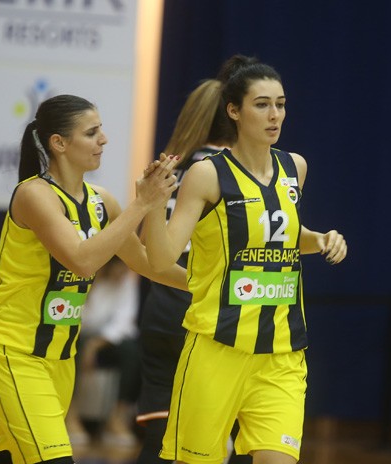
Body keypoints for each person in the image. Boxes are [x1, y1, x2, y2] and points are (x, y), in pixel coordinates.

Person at [143, 55, 348, 464]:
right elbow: (161, 259)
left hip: (282, 353)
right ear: (234, 111)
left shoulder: (295, 167)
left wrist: (321, 239)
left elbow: (282, 235)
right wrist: (151, 204)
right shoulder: (207, 174)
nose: (275, 115)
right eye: (262, 104)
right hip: (217, 349)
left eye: (281, 104)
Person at [0, 94, 185, 464]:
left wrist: (210, 285)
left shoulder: (102, 201)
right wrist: (141, 204)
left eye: (101, 130)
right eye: (92, 132)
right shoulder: (34, 194)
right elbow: (82, 262)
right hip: (14, 351)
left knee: (12, 457)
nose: (104, 139)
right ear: (59, 143)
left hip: (60, 357)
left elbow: (150, 264)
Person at [135, 79, 249, 464]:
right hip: (209, 314)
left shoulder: (175, 168)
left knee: (160, 438)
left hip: (161, 310)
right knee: (226, 439)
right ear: (236, 116)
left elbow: (150, 246)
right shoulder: (235, 173)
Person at [66, 255, 141, 448]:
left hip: (105, 340)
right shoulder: (85, 276)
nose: (123, 273)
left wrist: (96, 344)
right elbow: (76, 315)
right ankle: (70, 414)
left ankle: (117, 418)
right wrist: (89, 343)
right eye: (119, 267)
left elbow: (124, 320)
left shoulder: (126, 280)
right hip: (79, 334)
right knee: (74, 347)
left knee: (133, 352)